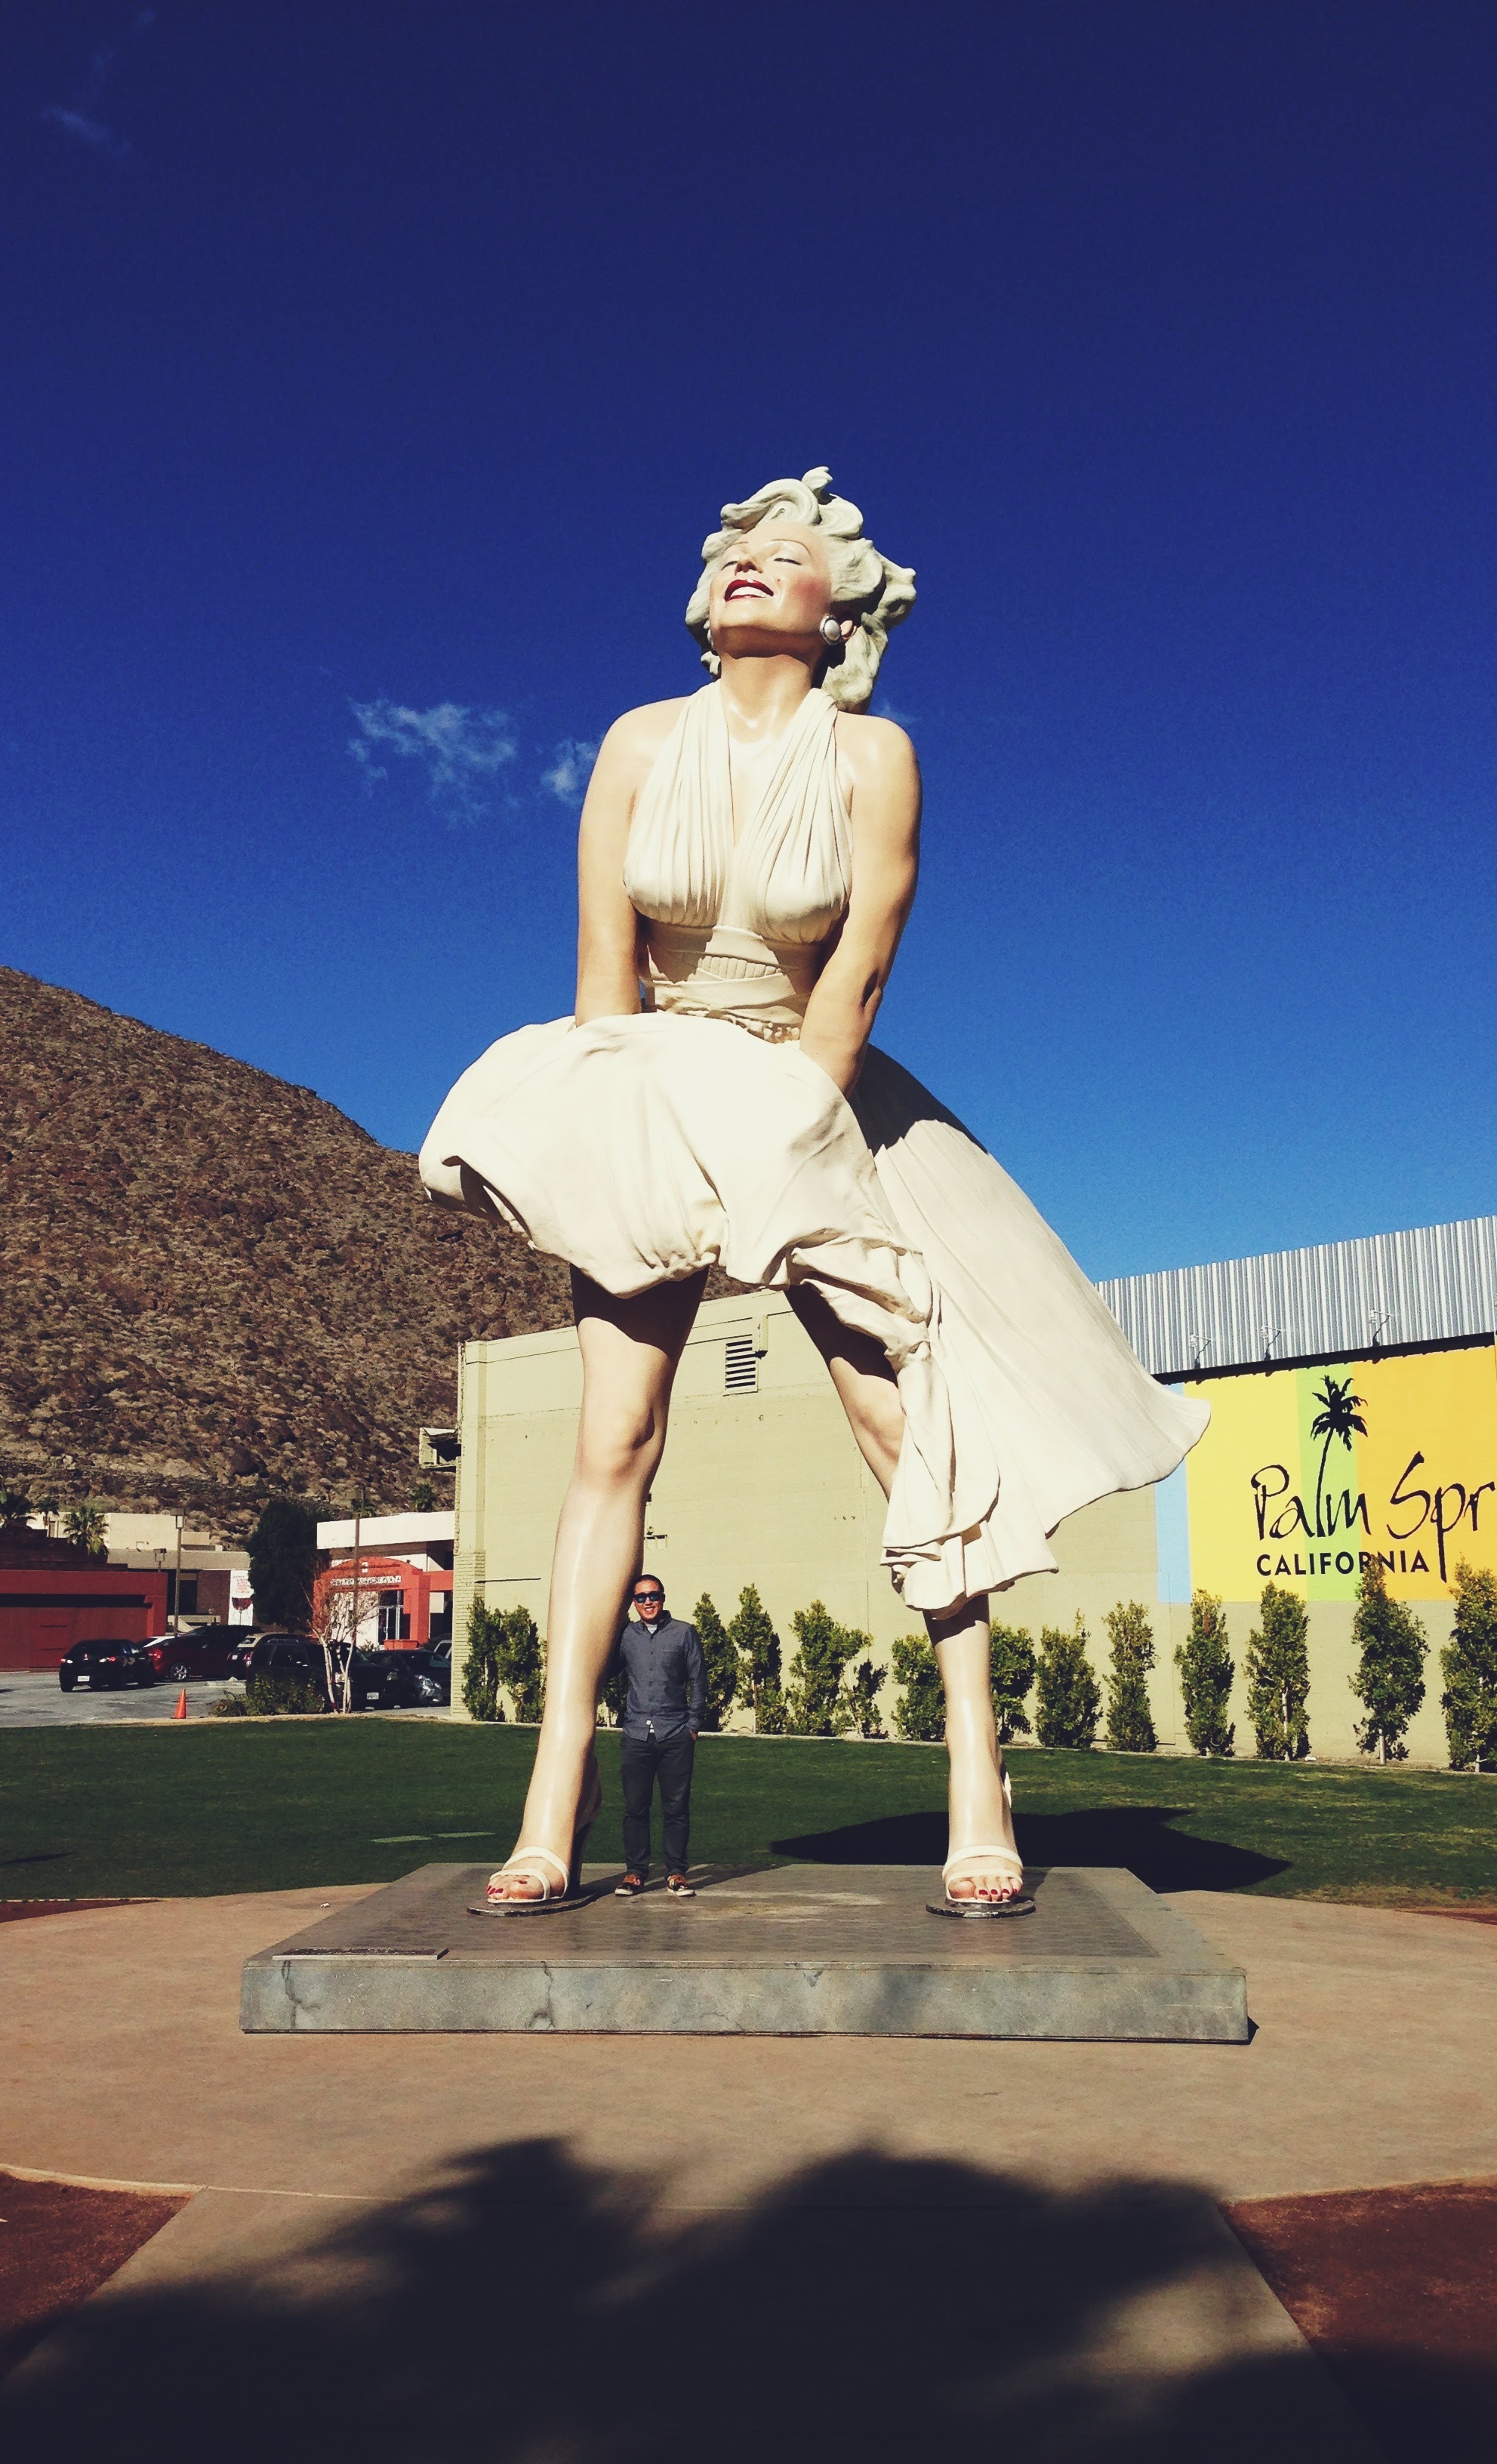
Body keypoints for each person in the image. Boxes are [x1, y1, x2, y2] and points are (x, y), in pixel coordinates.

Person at [424, 468, 1208, 1917]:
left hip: (810, 1094)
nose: (743, 567)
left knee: (895, 1422)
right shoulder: (636, 741)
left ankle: (979, 1775)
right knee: (612, 1434)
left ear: (833, 609)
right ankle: (552, 1803)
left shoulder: (875, 757)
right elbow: (603, 974)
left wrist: (781, 1151)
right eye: (731, 552)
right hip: (647, 1082)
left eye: (781, 558)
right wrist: (610, 1135)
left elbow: (849, 982)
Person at [613, 1575, 702, 1898]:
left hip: (675, 1733)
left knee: (676, 1808)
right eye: (641, 1597)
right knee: (635, 1808)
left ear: (663, 1598)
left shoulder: (684, 1633)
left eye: (654, 1595)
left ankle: (676, 1873)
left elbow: (698, 1680)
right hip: (636, 1734)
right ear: (634, 1602)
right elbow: (610, 1671)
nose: (648, 1602)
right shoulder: (626, 1636)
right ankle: (635, 1873)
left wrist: (692, 1726)